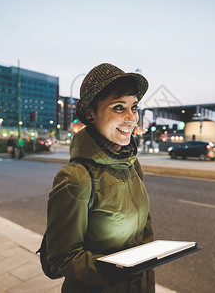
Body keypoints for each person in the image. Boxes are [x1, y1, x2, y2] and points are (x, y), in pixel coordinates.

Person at [44, 63, 154, 293]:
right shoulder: (76, 178)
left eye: (134, 107)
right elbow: (62, 258)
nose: (131, 118)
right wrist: (119, 273)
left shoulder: (132, 163)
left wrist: (150, 261)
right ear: (91, 113)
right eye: (118, 107)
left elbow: (146, 228)